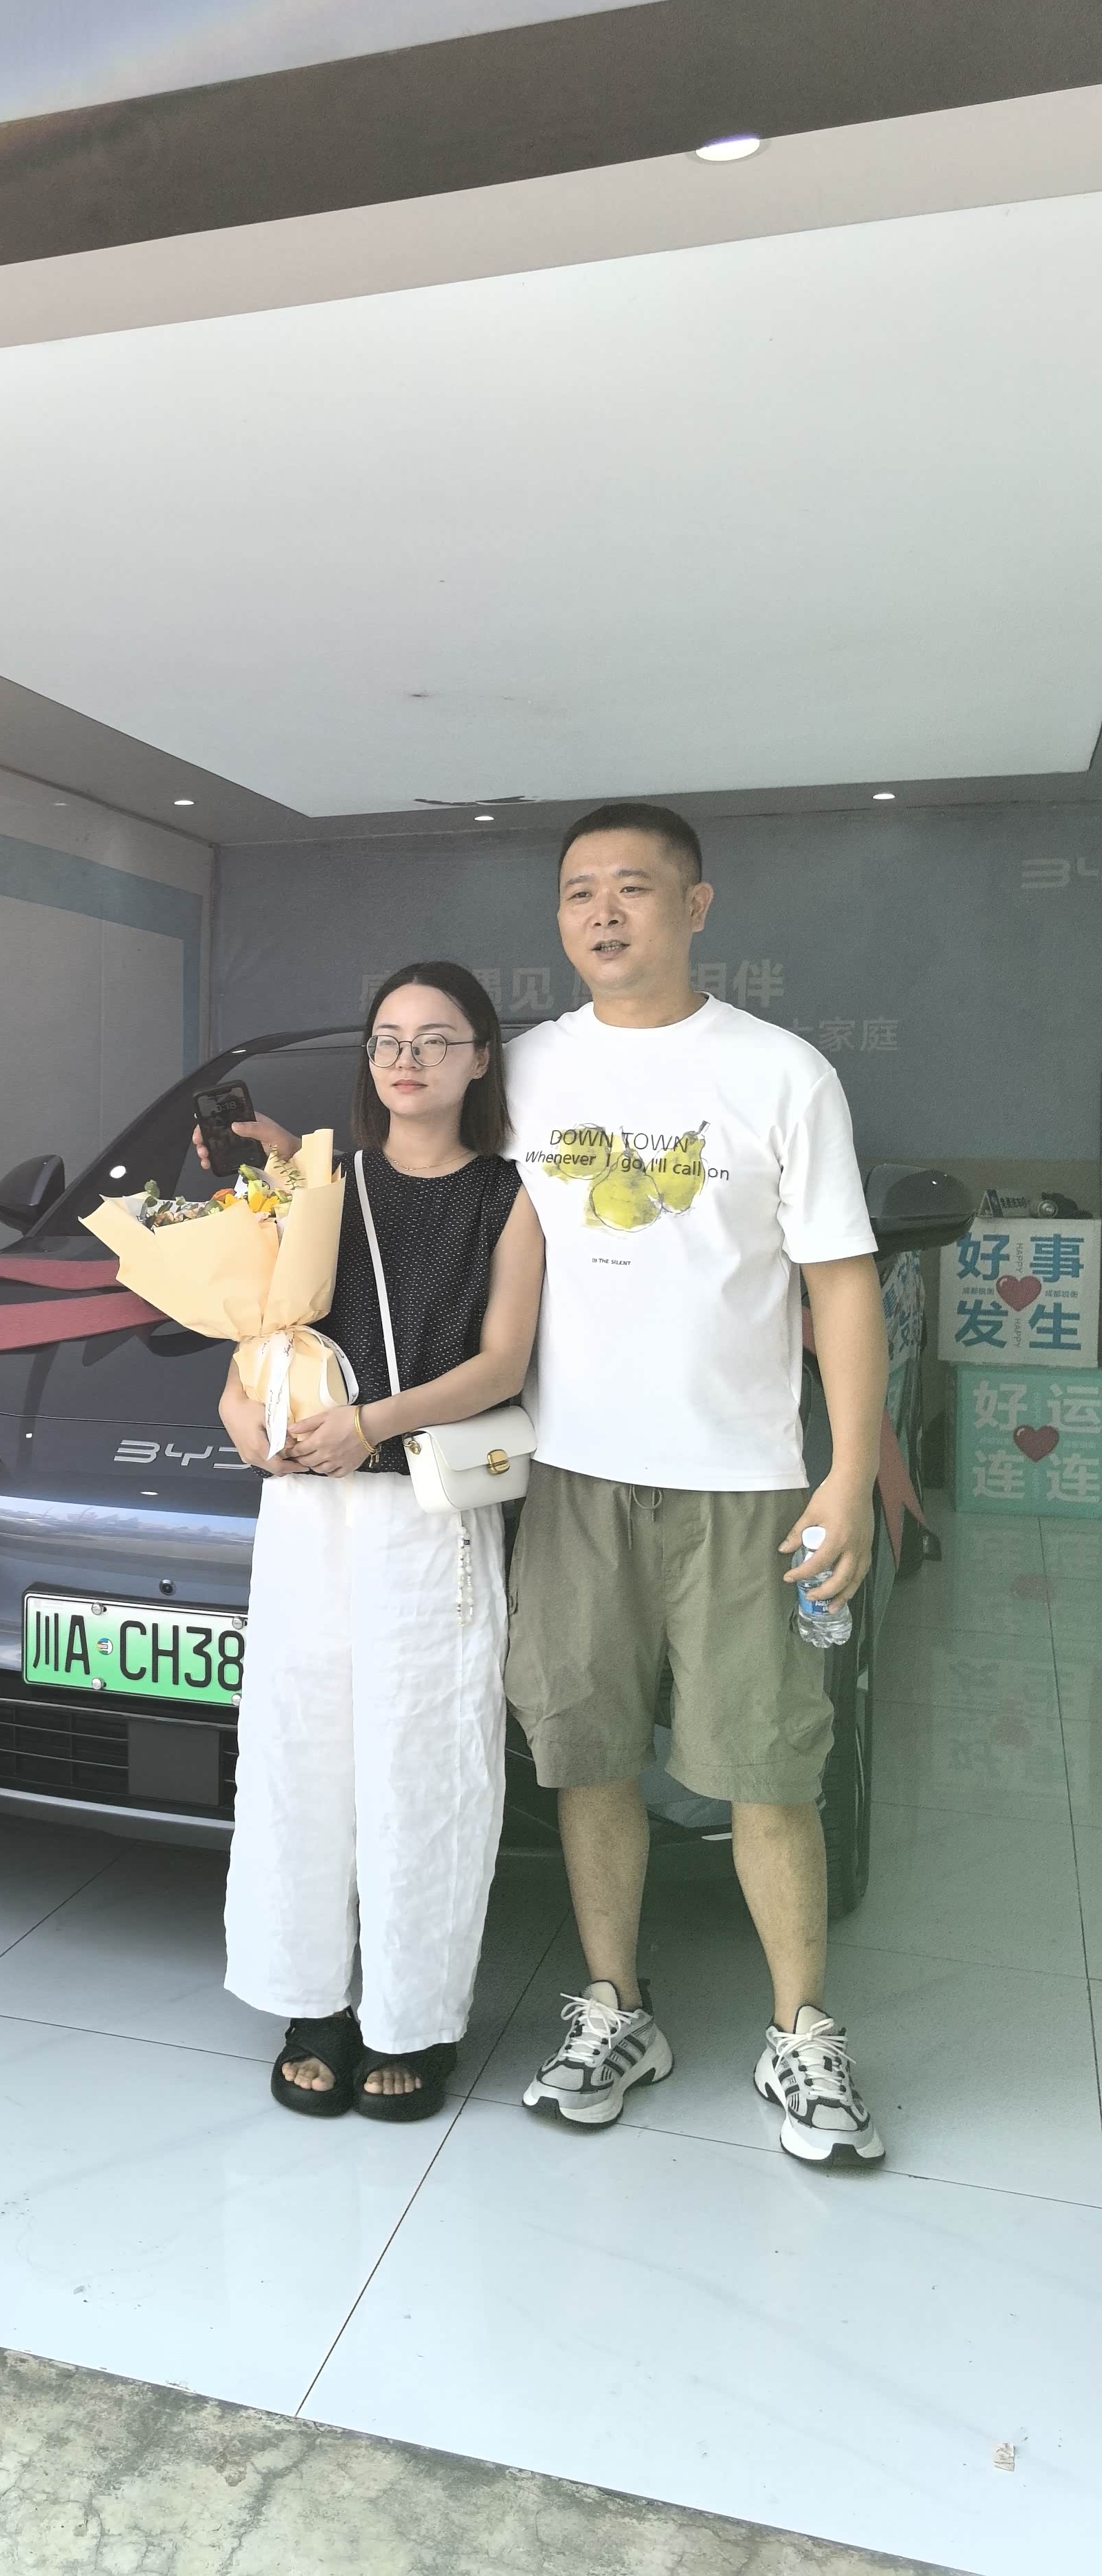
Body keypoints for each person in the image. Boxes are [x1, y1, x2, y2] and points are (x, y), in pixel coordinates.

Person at [503, 801, 889, 2164]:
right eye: (578, 892)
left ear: (696, 905)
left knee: (767, 1766)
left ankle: (803, 2034)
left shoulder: (780, 1072)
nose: (602, 914)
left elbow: (843, 1284)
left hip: (744, 1482)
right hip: (570, 1476)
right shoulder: (526, 1069)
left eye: (633, 888)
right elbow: (419, 1180)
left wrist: (849, 1471)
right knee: (589, 1752)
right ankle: (617, 2007)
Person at [214, 962, 544, 2120]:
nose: (408, 1059)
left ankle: (413, 2018)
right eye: (389, 1039)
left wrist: (374, 1425)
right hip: (307, 1511)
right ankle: (308, 2000)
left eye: (437, 1040)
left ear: (481, 1059)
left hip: (426, 1518)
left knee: (426, 1767)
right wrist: (242, 1417)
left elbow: (501, 1364)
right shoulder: (319, 1186)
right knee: (297, 1758)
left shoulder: (508, 1196)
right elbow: (256, 1343)